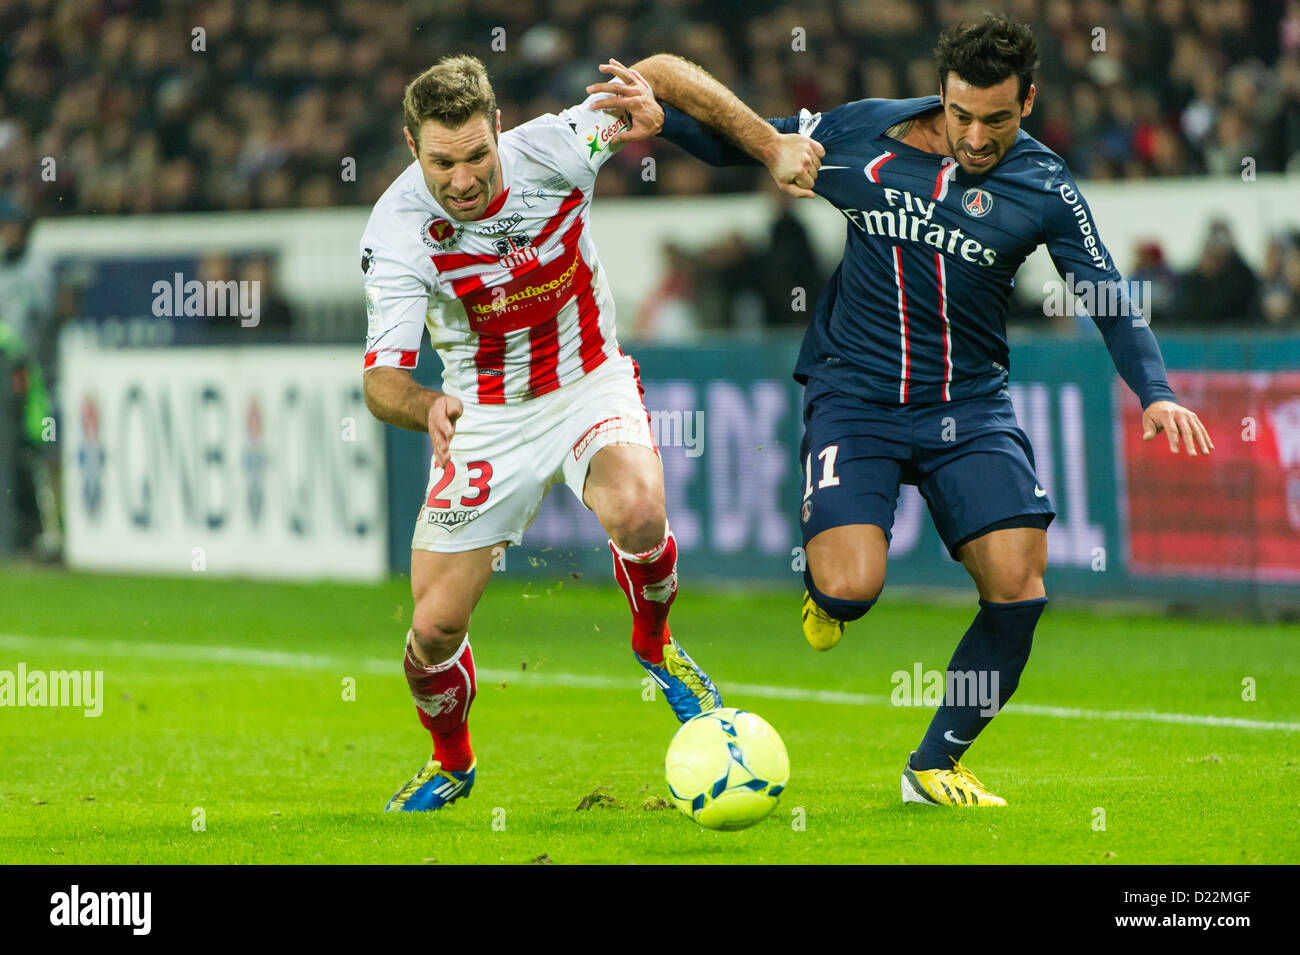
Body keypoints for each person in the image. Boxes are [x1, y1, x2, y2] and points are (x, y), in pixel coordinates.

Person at [591, 14, 1214, 807]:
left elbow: (1106, 297)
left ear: (1029, 99)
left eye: (998, 118)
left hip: (971, 406)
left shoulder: (1046, 184)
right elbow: (743, 141)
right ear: (940, 96)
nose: (978, 136)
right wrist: (667, 121)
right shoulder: (861, 133)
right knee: (851, 588)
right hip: (855, 396)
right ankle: (827, 587)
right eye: (962, 115)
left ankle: (933, 764)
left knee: (1019, 586)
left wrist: (1154, 389)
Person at [360, 55, 722, 813]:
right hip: (485, 415)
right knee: (432, 629)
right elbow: (379, 381)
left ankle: (654, 645)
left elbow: (648, 83)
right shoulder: (397, 233)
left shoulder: (557, 147)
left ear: (498, 128)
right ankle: (451, 761)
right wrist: (426, 405)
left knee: (637, 511)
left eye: (476, 156)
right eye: (441, 162)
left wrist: (656, 112)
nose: (462, 179)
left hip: (588, 379)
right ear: (410, 145)